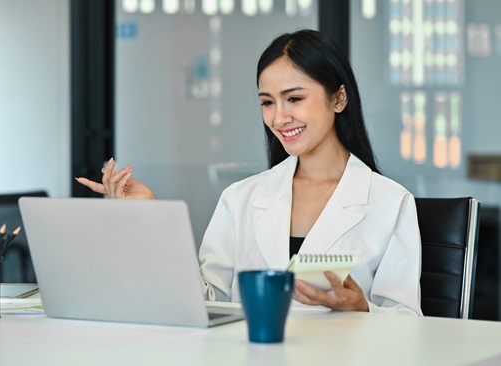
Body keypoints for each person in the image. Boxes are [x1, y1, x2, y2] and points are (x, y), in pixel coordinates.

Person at [76, 29, 423, 316]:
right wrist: (149, 218)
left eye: (294, 98)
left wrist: (361, 309)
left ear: (339, 99)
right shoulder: (241, 198)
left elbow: (411, 324)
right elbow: (207, 302)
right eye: (267, 102)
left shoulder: (390, 203)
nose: (279, 118)